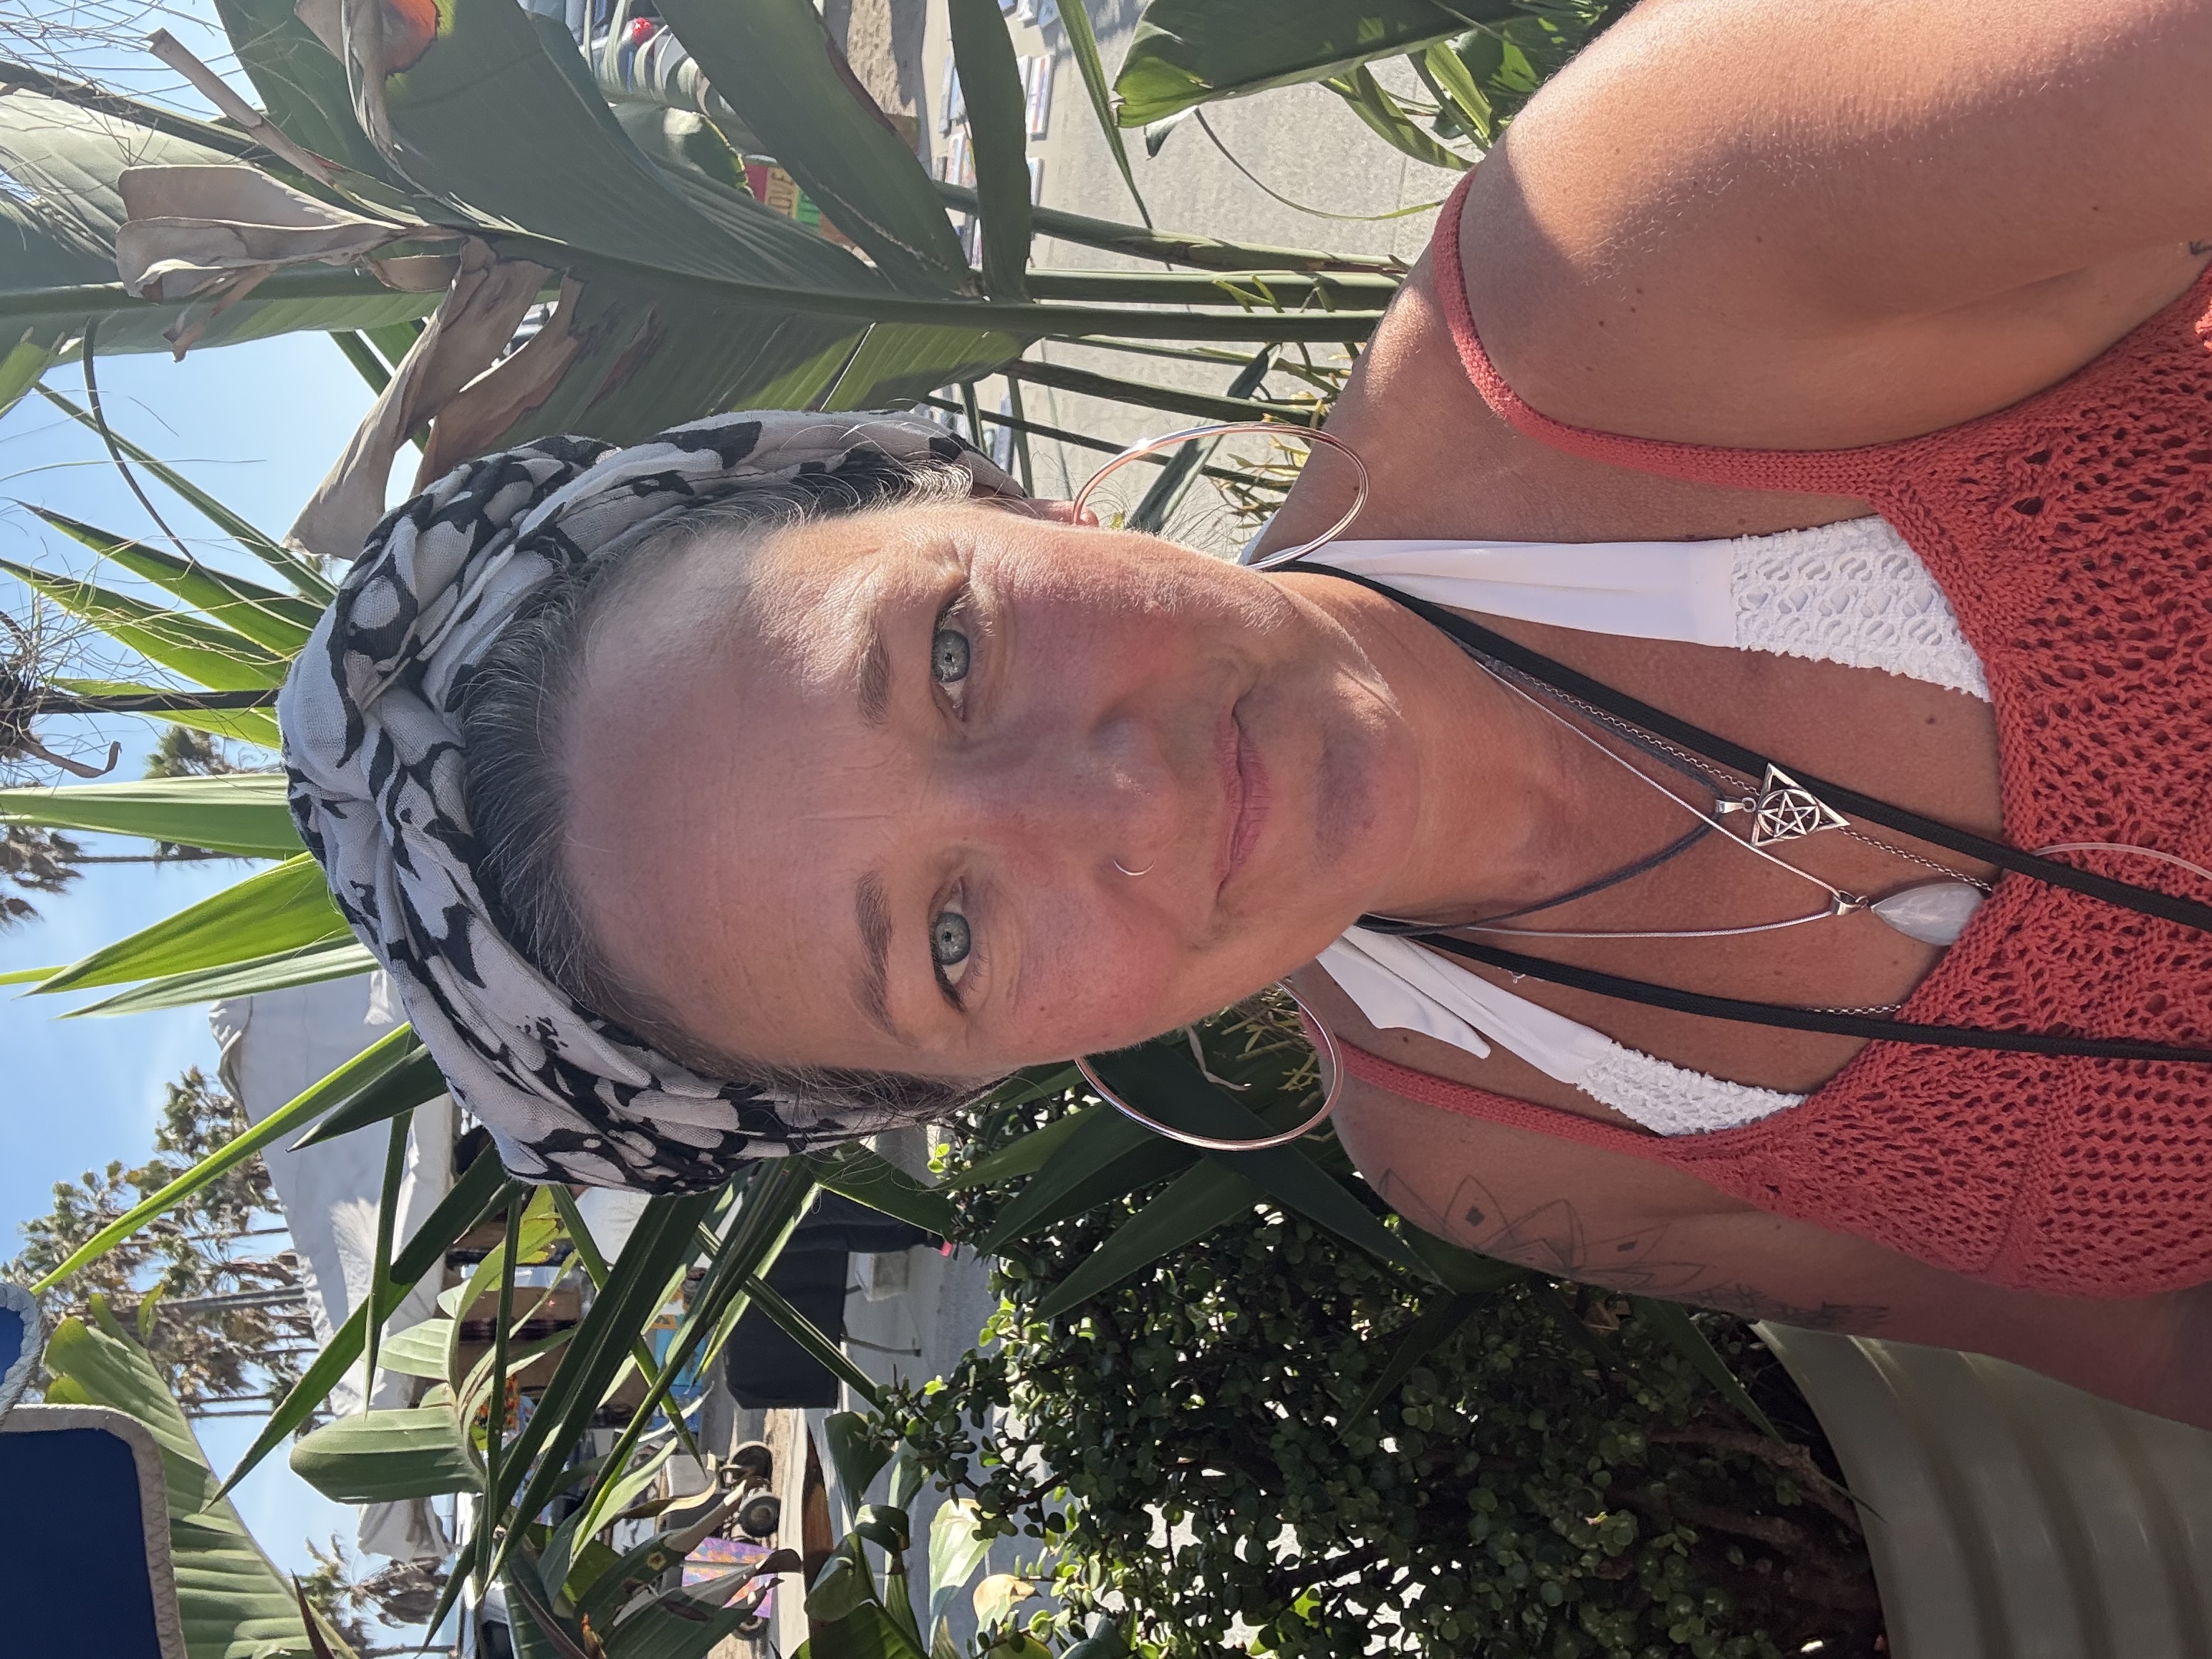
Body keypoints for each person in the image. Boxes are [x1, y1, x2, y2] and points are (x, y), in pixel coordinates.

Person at [281, 0, 2212, 1426]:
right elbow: (2152, 1336)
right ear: (985, 1076)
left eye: (946, 656)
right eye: (953, 934)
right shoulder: (1496, 1148)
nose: (1109, 793)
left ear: (965, 494)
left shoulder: (1624, 265)